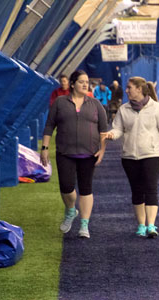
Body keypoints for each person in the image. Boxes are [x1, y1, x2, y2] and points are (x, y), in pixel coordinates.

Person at [40, 70, 108, 239]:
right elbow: (49, 126)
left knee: (86, 189)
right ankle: (71, 210)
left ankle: (84, 225)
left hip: (89, 153)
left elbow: (103, 130)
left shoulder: (95, 104)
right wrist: (45, 148)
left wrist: (102, 149)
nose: (85, 85)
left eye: (87, 82)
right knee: (66, 187)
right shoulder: (60, 102)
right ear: (72, 84)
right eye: (81, 82)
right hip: (65, 152)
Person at [105, 76, 159, 238]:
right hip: (130, 157)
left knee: (151, 188)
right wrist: (112, 134)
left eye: (129, 87)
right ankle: (141, 225)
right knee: (137, 190)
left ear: (139, 89)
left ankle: (151, 225)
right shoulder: (124, 109)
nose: (126, 90)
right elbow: (118, 129)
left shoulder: (156, 108)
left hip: (152, 155)